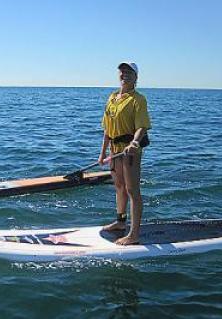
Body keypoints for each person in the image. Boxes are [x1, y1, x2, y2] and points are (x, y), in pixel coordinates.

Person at [98, 62, 151, 245]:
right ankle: (120, 222)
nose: (125, 74)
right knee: (119, 186)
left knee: (132, 190)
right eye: (122, 71)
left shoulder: (138, 99)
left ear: (136, 77)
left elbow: (142, 126)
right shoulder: (112, 98)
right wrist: (102, 153)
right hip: (114, 150)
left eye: (129, 72)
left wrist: (135, 142)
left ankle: (134, 234)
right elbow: (107, 128)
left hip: (130, 150)